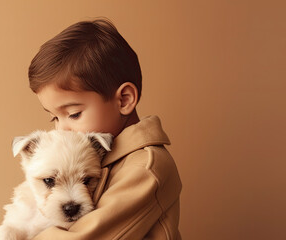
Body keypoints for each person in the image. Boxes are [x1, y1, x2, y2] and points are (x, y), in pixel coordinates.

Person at [27, 18, 182, 239]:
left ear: (124, 100)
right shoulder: (101, 157)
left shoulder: (145, 168)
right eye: (54, 118)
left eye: (73, 114)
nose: (62, 129)